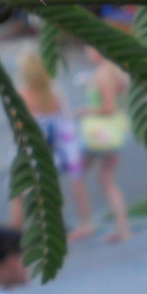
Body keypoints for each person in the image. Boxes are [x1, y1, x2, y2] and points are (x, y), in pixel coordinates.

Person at [9, 49, 95, 241]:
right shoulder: (53, 91)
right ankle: (85, 221)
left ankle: (15, 235)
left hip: (33, 147)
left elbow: (16, 128)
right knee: (66, 185)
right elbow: (66, 116)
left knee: (19, 194)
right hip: (58, 147)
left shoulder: (22, 95)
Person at [78, 45, 132, 243]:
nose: (87, 52)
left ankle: (86, 222)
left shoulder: (104, 73)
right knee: (107, 179)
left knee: (78, 172)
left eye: (89, 48)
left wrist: (85, 111)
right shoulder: (114, 71)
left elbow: (109, 107)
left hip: (100, 134)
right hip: (114, 132)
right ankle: (122, 228)